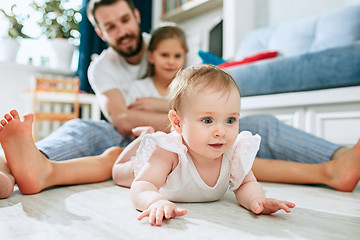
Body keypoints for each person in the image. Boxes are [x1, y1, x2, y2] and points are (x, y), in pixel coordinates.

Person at [0, 0, 359, 199]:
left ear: (136, 16)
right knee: (84, 128)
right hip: (126, 134)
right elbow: (122, 121)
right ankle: (15, 168)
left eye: (125, 20)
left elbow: (211, 98)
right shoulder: (101, 68)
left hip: (188, 131)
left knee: (251, 130)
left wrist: (189, 122)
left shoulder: (167, 46)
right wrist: (180, 124)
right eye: (110, 27)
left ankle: (335, 163)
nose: (122, 31)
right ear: (99, 32)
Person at [126, 64, 295, 226]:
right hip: (141, 167)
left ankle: (146, 134)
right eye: (207, 120)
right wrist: (156, 201)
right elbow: (142, 185)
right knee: (119, 173)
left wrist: (256, 200)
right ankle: (143, 137)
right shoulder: (169, 153)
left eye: (230, 120)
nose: (221, 132)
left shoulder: (232, 153)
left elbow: (246, 184)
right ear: (177, 123)